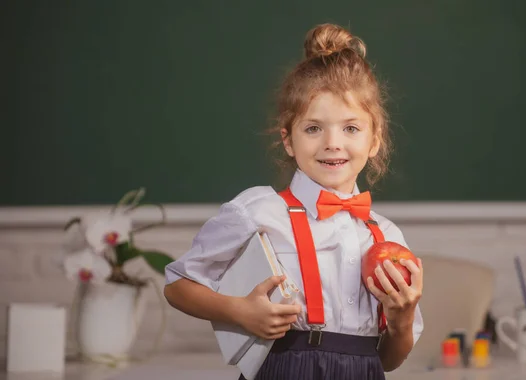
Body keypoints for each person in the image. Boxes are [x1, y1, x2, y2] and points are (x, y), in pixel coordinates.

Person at [163, 23, 424, 380]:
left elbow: (389, 361)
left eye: (351, 128)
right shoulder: (257, 210)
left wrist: (402, 318)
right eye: (313, 128)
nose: (332, 143)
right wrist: (240, 312)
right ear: (288, 140)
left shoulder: (386, 236)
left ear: (374, 139)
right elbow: (178, 285)